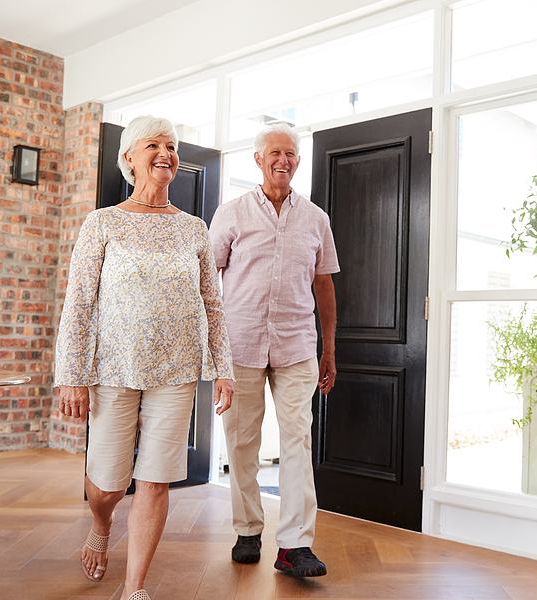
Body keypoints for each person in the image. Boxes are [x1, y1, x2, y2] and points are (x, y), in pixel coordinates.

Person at [55, 115, 234, 600]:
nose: (165, 153)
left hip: (176, 373)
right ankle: (101, 521)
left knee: (154, 480)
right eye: (152, 144)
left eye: (171, 146)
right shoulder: (103, 223)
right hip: (113, 369)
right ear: (129, 158)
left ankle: (134, 588)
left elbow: (212, 305)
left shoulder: (194, 229)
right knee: (107, 485)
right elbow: (79, 304)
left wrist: (223, 370)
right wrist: (71, 375)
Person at [209, 123, 339, 578]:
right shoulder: (232, 213)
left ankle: (295, 546)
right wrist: (212, 351)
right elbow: (208, 282)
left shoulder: (315, 218)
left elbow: (324, 286)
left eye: (291, 153)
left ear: (298, 162)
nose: (283, 160)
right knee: (241, 441)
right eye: (275, 153)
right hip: (239, 344)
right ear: (259, 159)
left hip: (298, 344)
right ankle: (248, 529)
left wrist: (329, 350)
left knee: (297, 442)